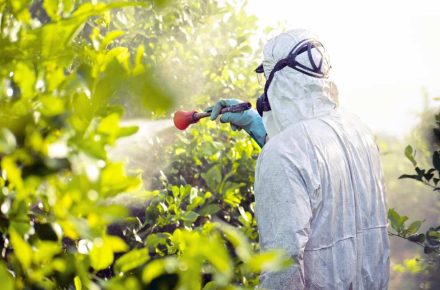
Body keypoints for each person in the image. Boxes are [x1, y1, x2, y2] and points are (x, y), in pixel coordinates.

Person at [207, 29, 390, 289]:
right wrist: (259, 127)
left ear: (278, 80)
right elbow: (318, 171)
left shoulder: (283, 154)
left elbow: (282, 265)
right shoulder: (357, 130)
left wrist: (273, 148)